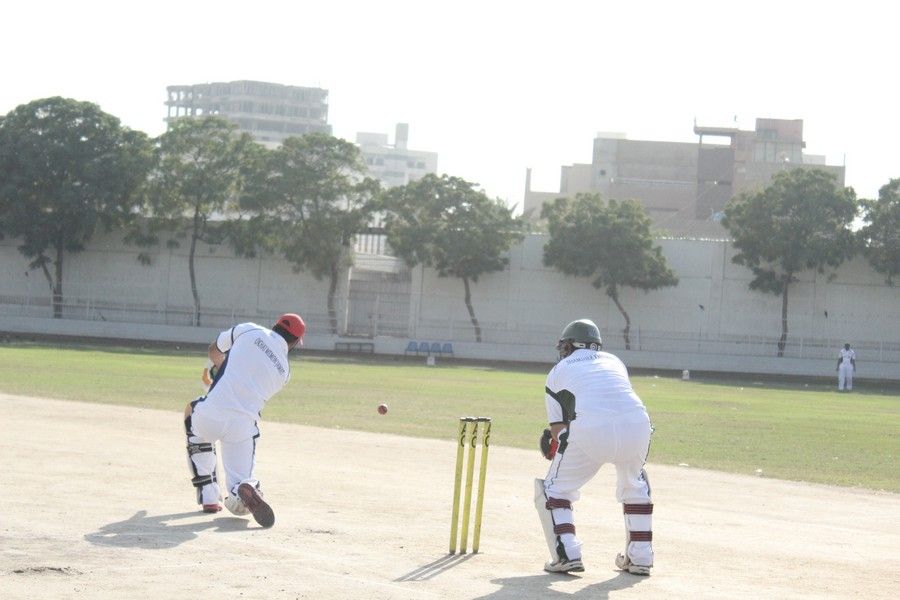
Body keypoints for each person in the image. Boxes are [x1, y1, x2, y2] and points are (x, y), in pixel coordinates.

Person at [534, 319, 654, 576]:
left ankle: (567, 554)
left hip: (591, 430)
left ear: (569, 346)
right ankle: (641, 557)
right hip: (638, 425)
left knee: (554, 489)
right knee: (635, 485)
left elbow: (558, 429)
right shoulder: (615, 361)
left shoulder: (558, 370)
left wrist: (557, 446)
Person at [184, 313, 305, 528]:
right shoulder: (285, 373)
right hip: (243, 428)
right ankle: (246, 487)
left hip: (211, 415)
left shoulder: (250, 329)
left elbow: (214, 351)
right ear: (295, 342)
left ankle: (209, 495)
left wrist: (221, 370)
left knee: (192, 414)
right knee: (239, 485)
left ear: (275, 325)